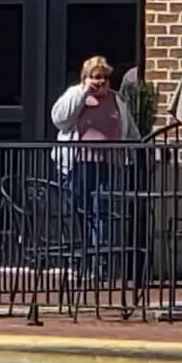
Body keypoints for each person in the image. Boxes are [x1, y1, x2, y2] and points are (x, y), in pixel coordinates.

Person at [49, 55, 138, 247]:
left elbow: (130, 130)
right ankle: (81, 259)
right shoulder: (74, 95)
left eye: (104, 78)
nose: (101, 82)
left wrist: (137, 152)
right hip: (78, 165)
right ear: (85, 78)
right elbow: (60, 120)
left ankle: (100, 264)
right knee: (79, 211)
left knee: (102, 212)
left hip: (110, 165)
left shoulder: (117, 99)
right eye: (96, 77)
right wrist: (83, 93)